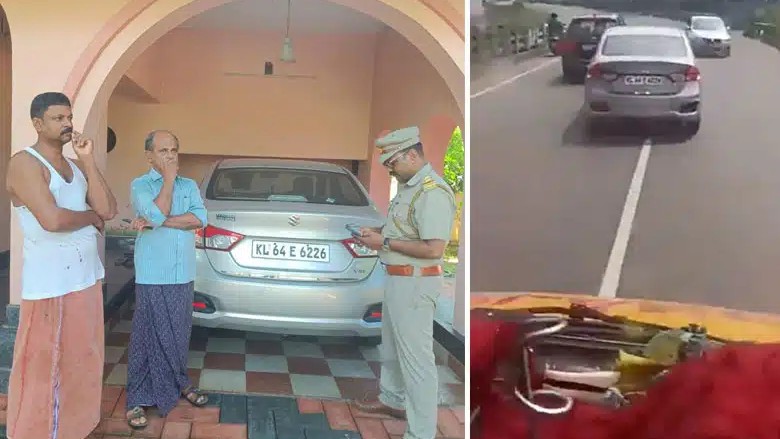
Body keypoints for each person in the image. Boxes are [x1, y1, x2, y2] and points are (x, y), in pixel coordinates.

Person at [5, 92, 118, 439]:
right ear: (38, 123)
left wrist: (87, 161)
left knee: (82, 361)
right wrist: (89, 218)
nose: (67, 124)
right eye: (58, 118)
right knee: (44, 367)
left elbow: (108, 210)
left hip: (85, 279)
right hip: (51, 285)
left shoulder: (74, 167)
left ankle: (74, 428)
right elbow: (51, 220)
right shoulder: (25, 163)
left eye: (69, 117)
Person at [352, 126, 457, 439]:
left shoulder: (432, 191)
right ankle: (392, 400)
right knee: (393, 348)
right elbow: (401, 232)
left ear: (413, 155)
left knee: (417, 361)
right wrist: (378, 237)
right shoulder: (410, 189)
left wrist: (383, 242)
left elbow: (434, 249)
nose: (390, 170)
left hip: (415, 284)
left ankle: (421, 432)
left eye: (393, 163)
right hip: (398, 281)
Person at [124, 130, 209, 429]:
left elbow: (200, 219)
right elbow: (157, 213)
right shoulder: (140, 185)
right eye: (163, 151)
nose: (171, 156)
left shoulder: (190, 186)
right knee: (148, 335)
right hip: (152, 273)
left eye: (174, 149)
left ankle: (179, 383)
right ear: (149, 156)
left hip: (182, 272)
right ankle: (136, 396)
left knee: (178, 333)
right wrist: (169, 184)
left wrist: (159, 223)